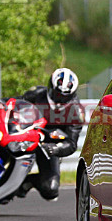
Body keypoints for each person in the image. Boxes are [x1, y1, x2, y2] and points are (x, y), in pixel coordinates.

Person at [16, 68, 83, 201]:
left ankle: (26, 183)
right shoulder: (37, 93)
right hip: (23, 134)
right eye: (57, 94)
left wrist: (56, 148)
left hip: (47, 144)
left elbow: (71, 143)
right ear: (50, 88)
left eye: (65, 97)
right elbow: (15, 103)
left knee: (50, 190)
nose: (59, 100)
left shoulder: (76, 112)